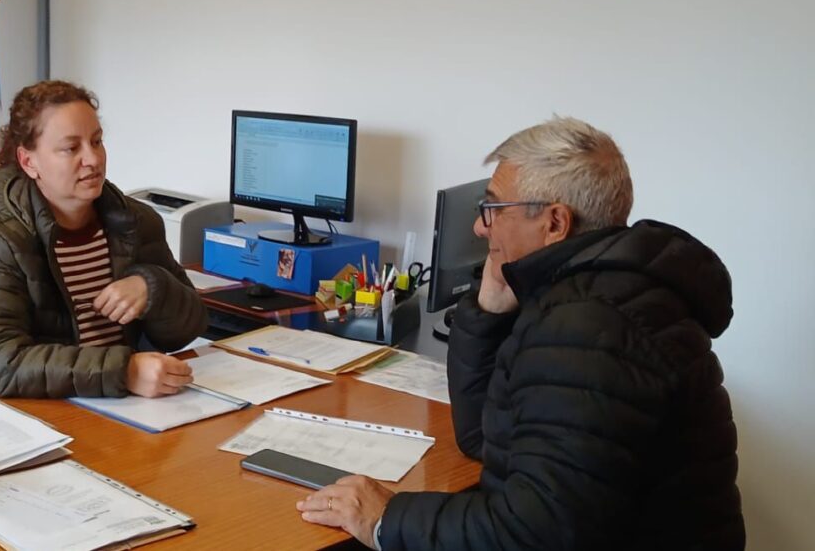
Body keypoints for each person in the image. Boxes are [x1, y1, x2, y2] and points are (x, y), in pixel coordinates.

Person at [297, 117, 744, 550]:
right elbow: (485, 439)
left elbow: (536, 534)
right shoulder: (602, 295)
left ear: (554, 223)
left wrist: (387, 517)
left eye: (492, 209)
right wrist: (488, 308)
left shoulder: (588, 329)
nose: (479, 227)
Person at [0, 80, 207, 403]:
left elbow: (191, 326)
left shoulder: (135, 221)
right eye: (71, 148)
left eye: (96, 141)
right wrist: (123, 371)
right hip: (17, 409)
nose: (93, 159)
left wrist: (153, 288)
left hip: (113, 404)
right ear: (29, 162)